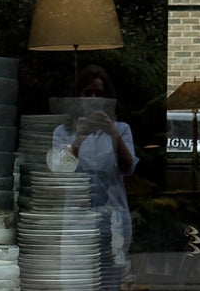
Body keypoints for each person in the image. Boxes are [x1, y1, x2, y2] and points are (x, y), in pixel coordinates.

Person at [51, 65, 138, 267]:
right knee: (77, 278)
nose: (93, 98)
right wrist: (78, 140)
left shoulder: (121, 129)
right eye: (87, 93)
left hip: (114, 219)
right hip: (76, 221)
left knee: (110, 279)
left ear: (107, 97)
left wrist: (113, 134)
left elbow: (129, 167)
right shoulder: (63, 132)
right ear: (78, 97)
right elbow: (59, 172)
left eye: (99, 94)